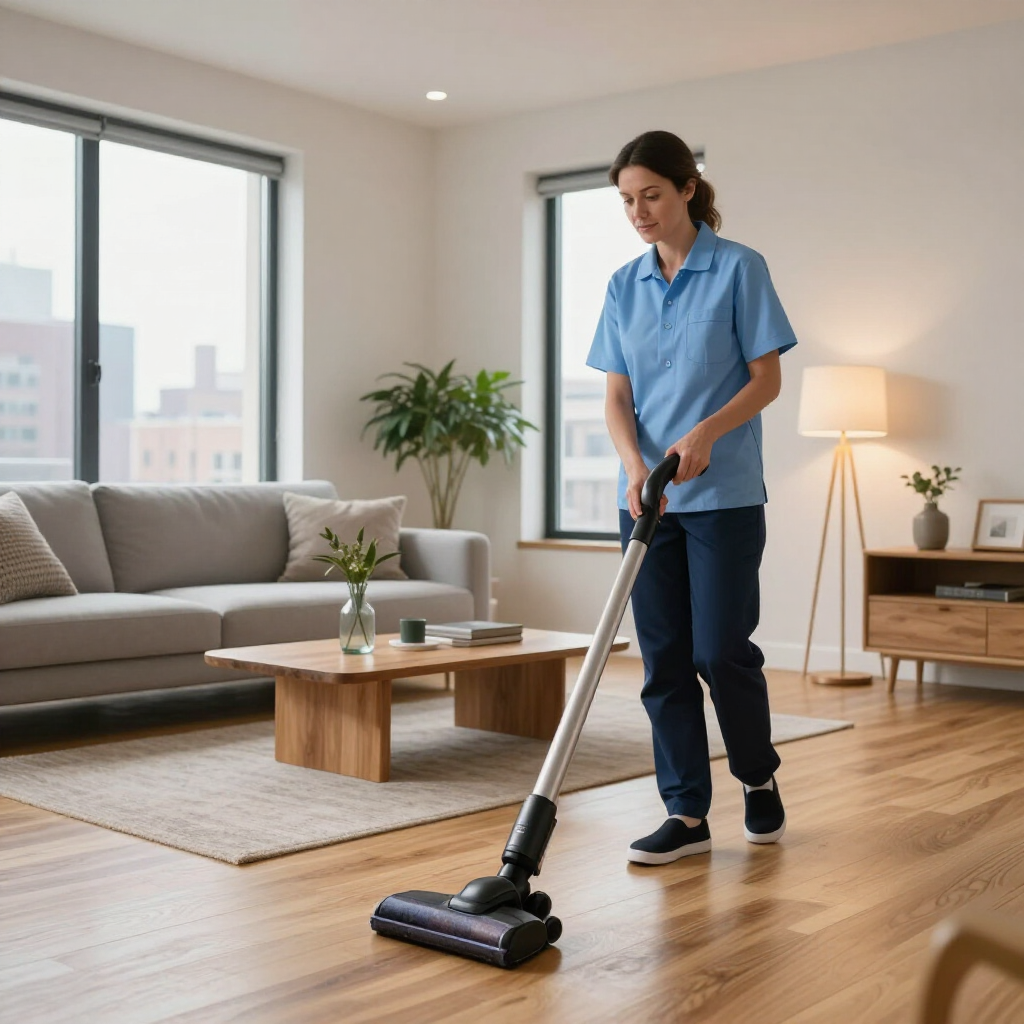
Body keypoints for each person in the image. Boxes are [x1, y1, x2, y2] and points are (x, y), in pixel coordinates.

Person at [586, 130, 798, 865]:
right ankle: (684, 814)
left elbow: (765, 379)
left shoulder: (740, 269)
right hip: (647, 501)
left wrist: (704, 433)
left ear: (685, 189)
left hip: (725, 496)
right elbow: (616, 395)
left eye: (650, 194)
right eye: (626, 200)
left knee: (720, 650)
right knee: (663, 658)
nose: (638, 211)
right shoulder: (623, 285)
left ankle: (758, 776)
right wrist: (633, 465)